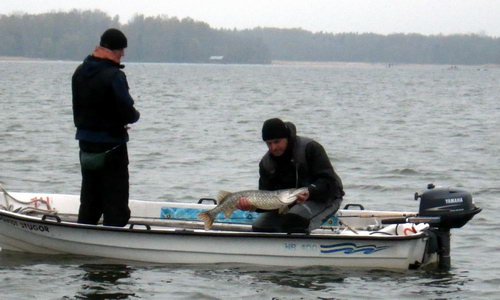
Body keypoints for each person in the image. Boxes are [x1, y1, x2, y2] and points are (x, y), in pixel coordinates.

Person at [72, 28, 140, 227]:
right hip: (112, 148)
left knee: (90, 200)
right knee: (116, 203)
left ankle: (83, 234)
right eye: (121, 52)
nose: (122, 56)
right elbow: (128, 112)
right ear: (112, 51)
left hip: (86, 147)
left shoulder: (79, 73)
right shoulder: (114, 76)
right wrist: (134, 116)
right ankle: (115, 245)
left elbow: (84, 108)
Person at [238, 118, 344, 233]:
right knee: (261, 227)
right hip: (289, 203)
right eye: (269, 143)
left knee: (294, 221)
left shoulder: (310, 148)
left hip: (326, 197)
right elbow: (266, 197)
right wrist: (252, 206)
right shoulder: (266, 164)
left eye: (277, 141)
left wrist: (310, 192)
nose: (273, 147)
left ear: (286, 138)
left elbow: (329, 181)